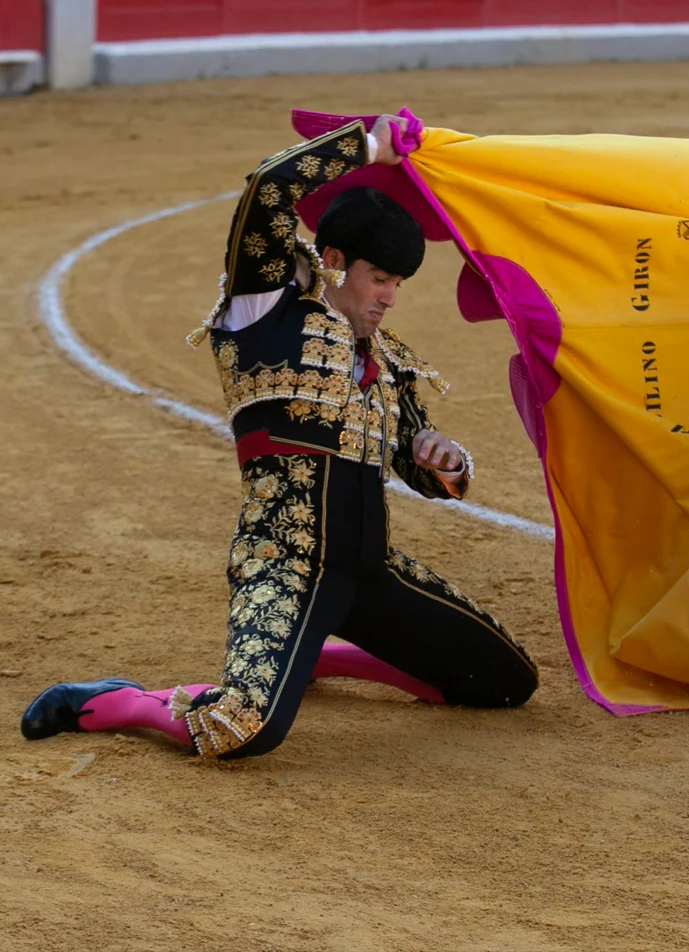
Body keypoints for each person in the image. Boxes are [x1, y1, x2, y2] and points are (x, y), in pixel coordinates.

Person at [19, 113, 538, 762]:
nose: (390, 297)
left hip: (370, 574)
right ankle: (118, 700)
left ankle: (326, 655)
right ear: (336, 261)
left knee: (504, 681)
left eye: (399, 283)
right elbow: (269, 188)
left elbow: (417, 464)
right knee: (239, 726)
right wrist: (368, 144)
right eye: (380, 278)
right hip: (282, 567)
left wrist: (446, 460)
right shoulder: (263, 307)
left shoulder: (387, 360)